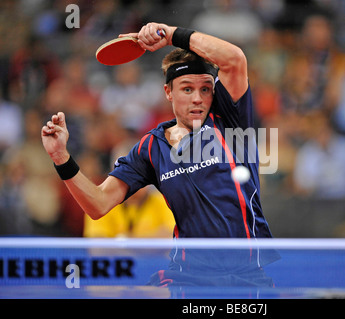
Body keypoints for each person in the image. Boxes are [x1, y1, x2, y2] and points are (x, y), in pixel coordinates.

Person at [41, 22, 277, 287]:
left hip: (245, 276)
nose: (198, 98)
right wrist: (61, 158)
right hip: (187, 280)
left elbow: (234, 59)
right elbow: (98, 204)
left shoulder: (228, 119)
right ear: (168, 92)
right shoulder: (150, 149)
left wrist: (170, 35)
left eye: (205, 89)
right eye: (187, 89)